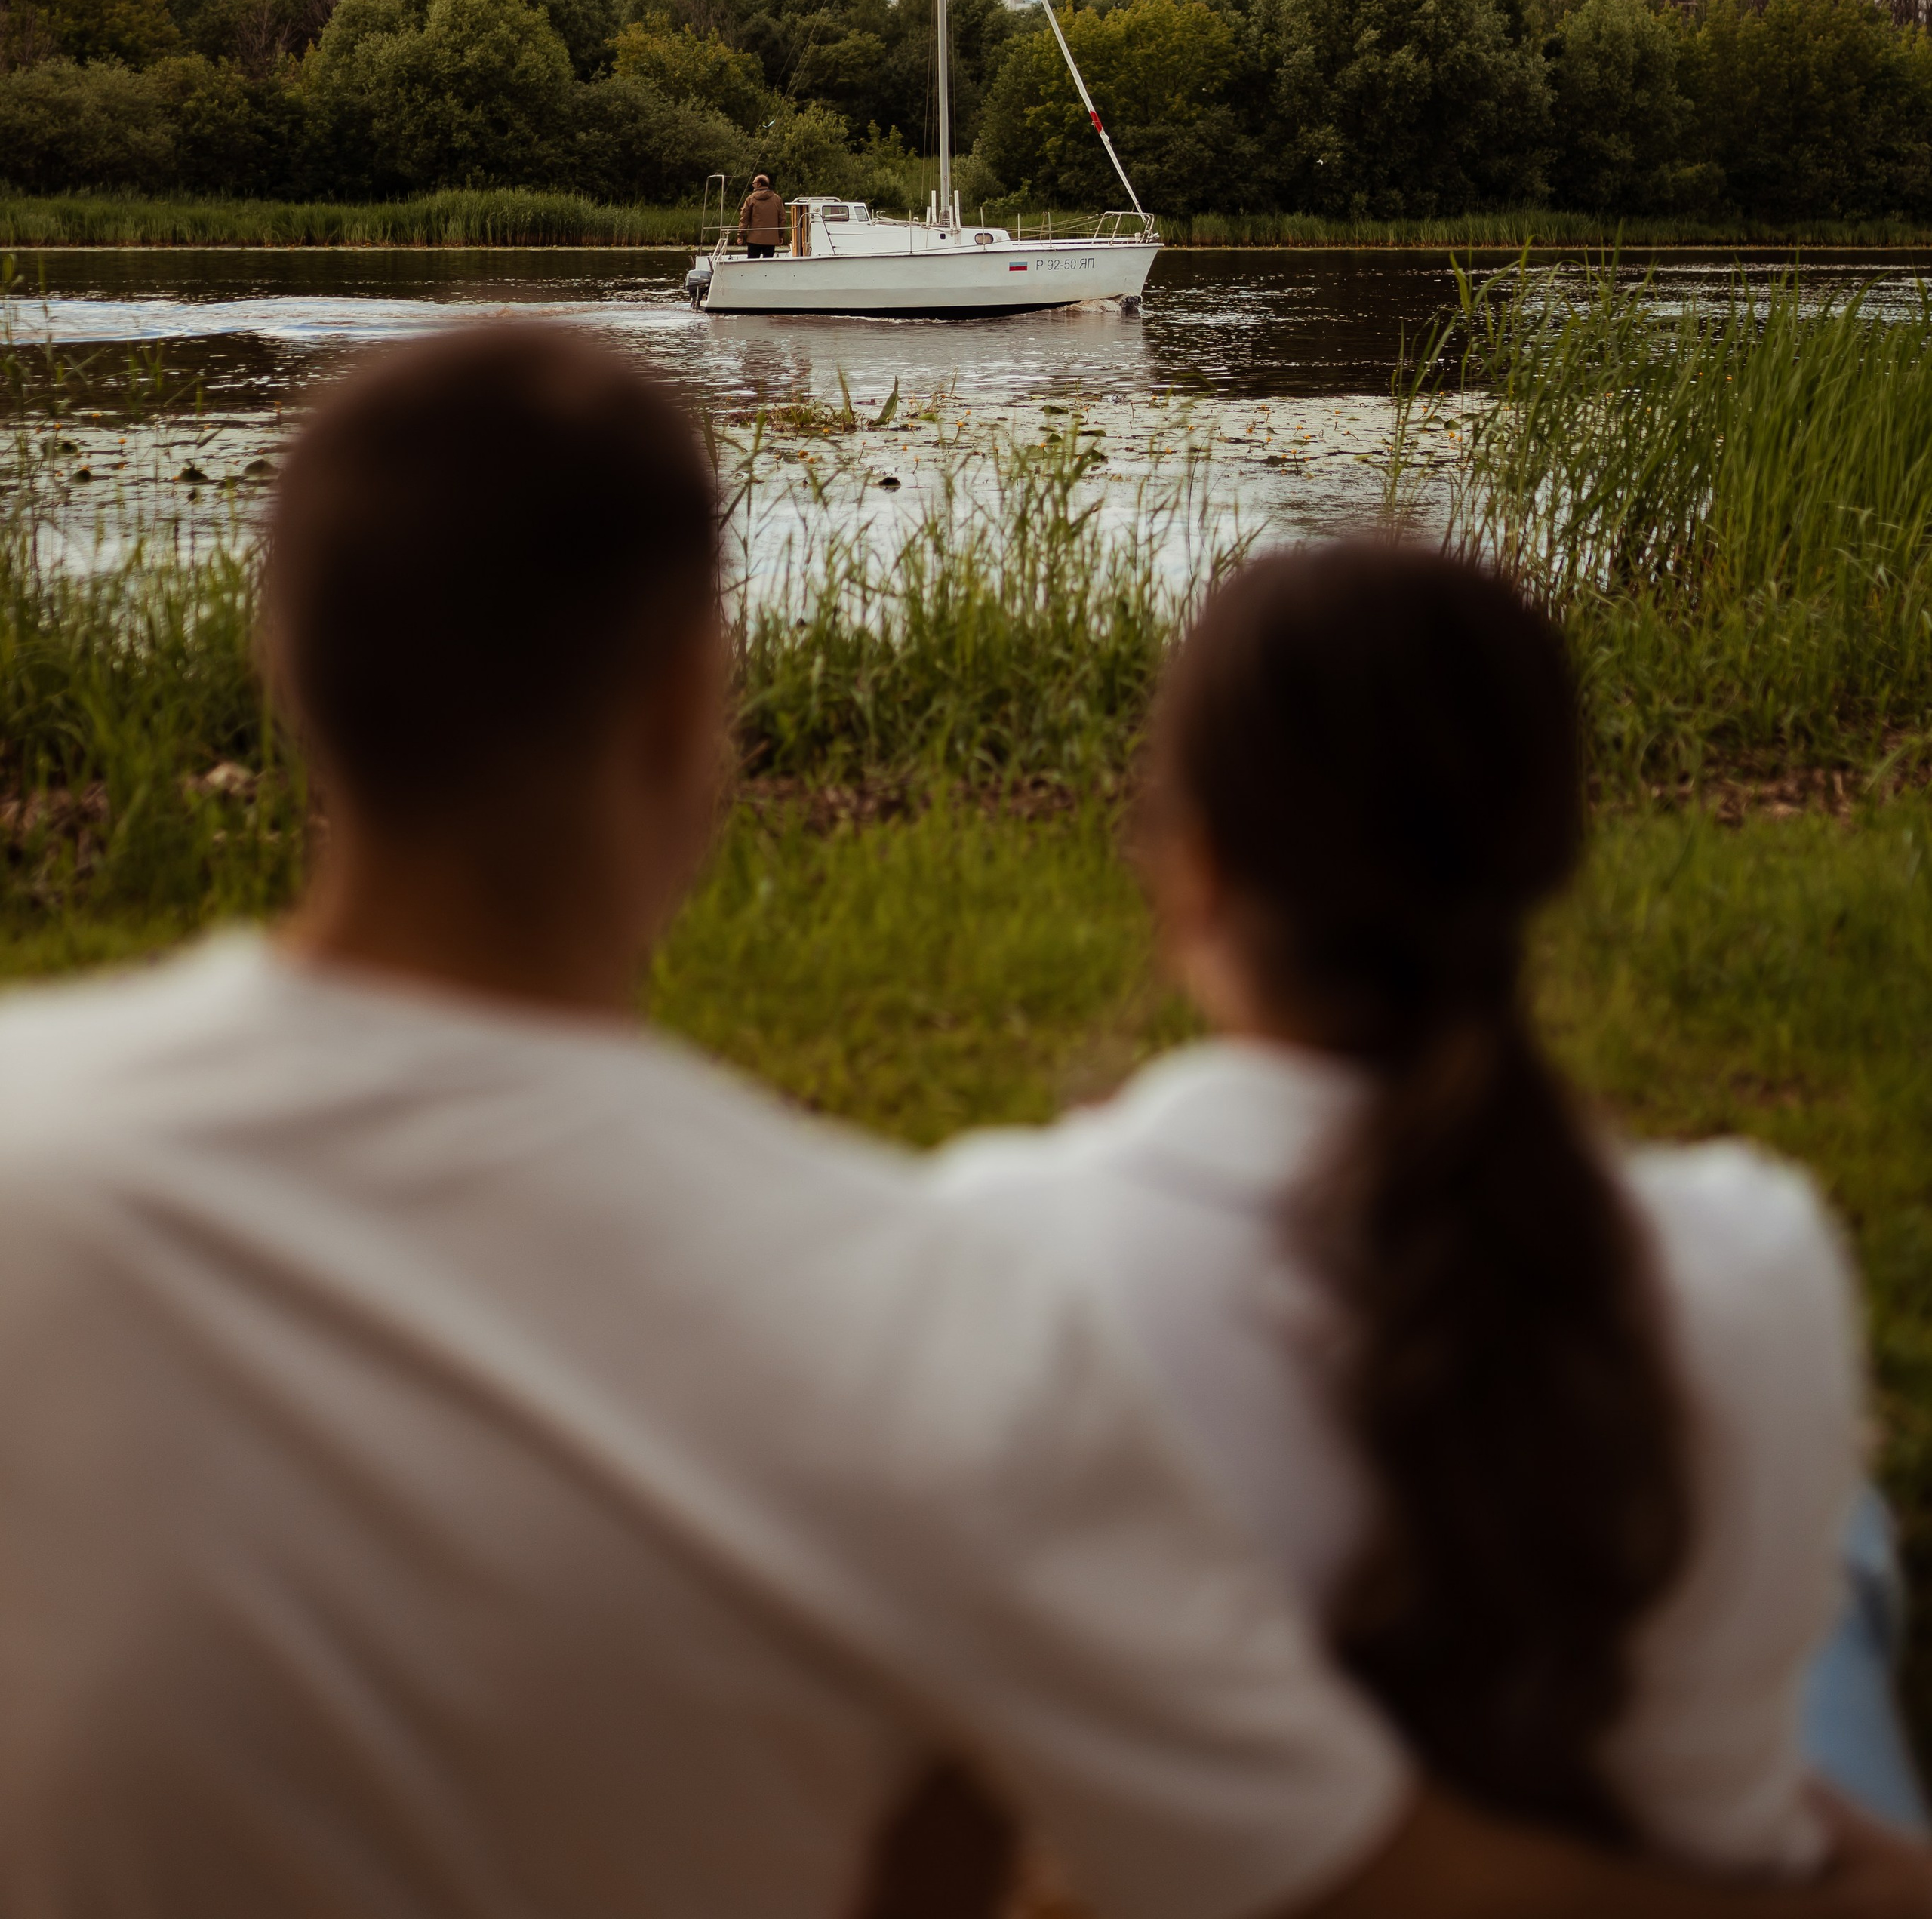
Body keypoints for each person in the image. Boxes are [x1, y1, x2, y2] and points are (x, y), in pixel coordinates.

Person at [0, 349, 1924, 1919]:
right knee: (1823, 1543)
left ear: (294, 668)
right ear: (689, 704)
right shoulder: (906, 1304)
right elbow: (1355, 1876)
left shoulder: (32, 1126)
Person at [935, 539, 1929, 1890]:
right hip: (1720, 1837)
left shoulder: (998, 1253)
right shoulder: (1754, 1262)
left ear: (1194, 867)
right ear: (1548, 850)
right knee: (1843, 1540)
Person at [739, 170, 785, 256]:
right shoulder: (777, 199)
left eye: (754, 183)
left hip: (754, 239)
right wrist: (781, 235)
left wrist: (740, 235)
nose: (753, 185)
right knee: (768, 264)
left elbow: (744, 218)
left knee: (752, 264)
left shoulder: (750, 199)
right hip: (771, 240)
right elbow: (782, 218)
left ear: (759, 184)